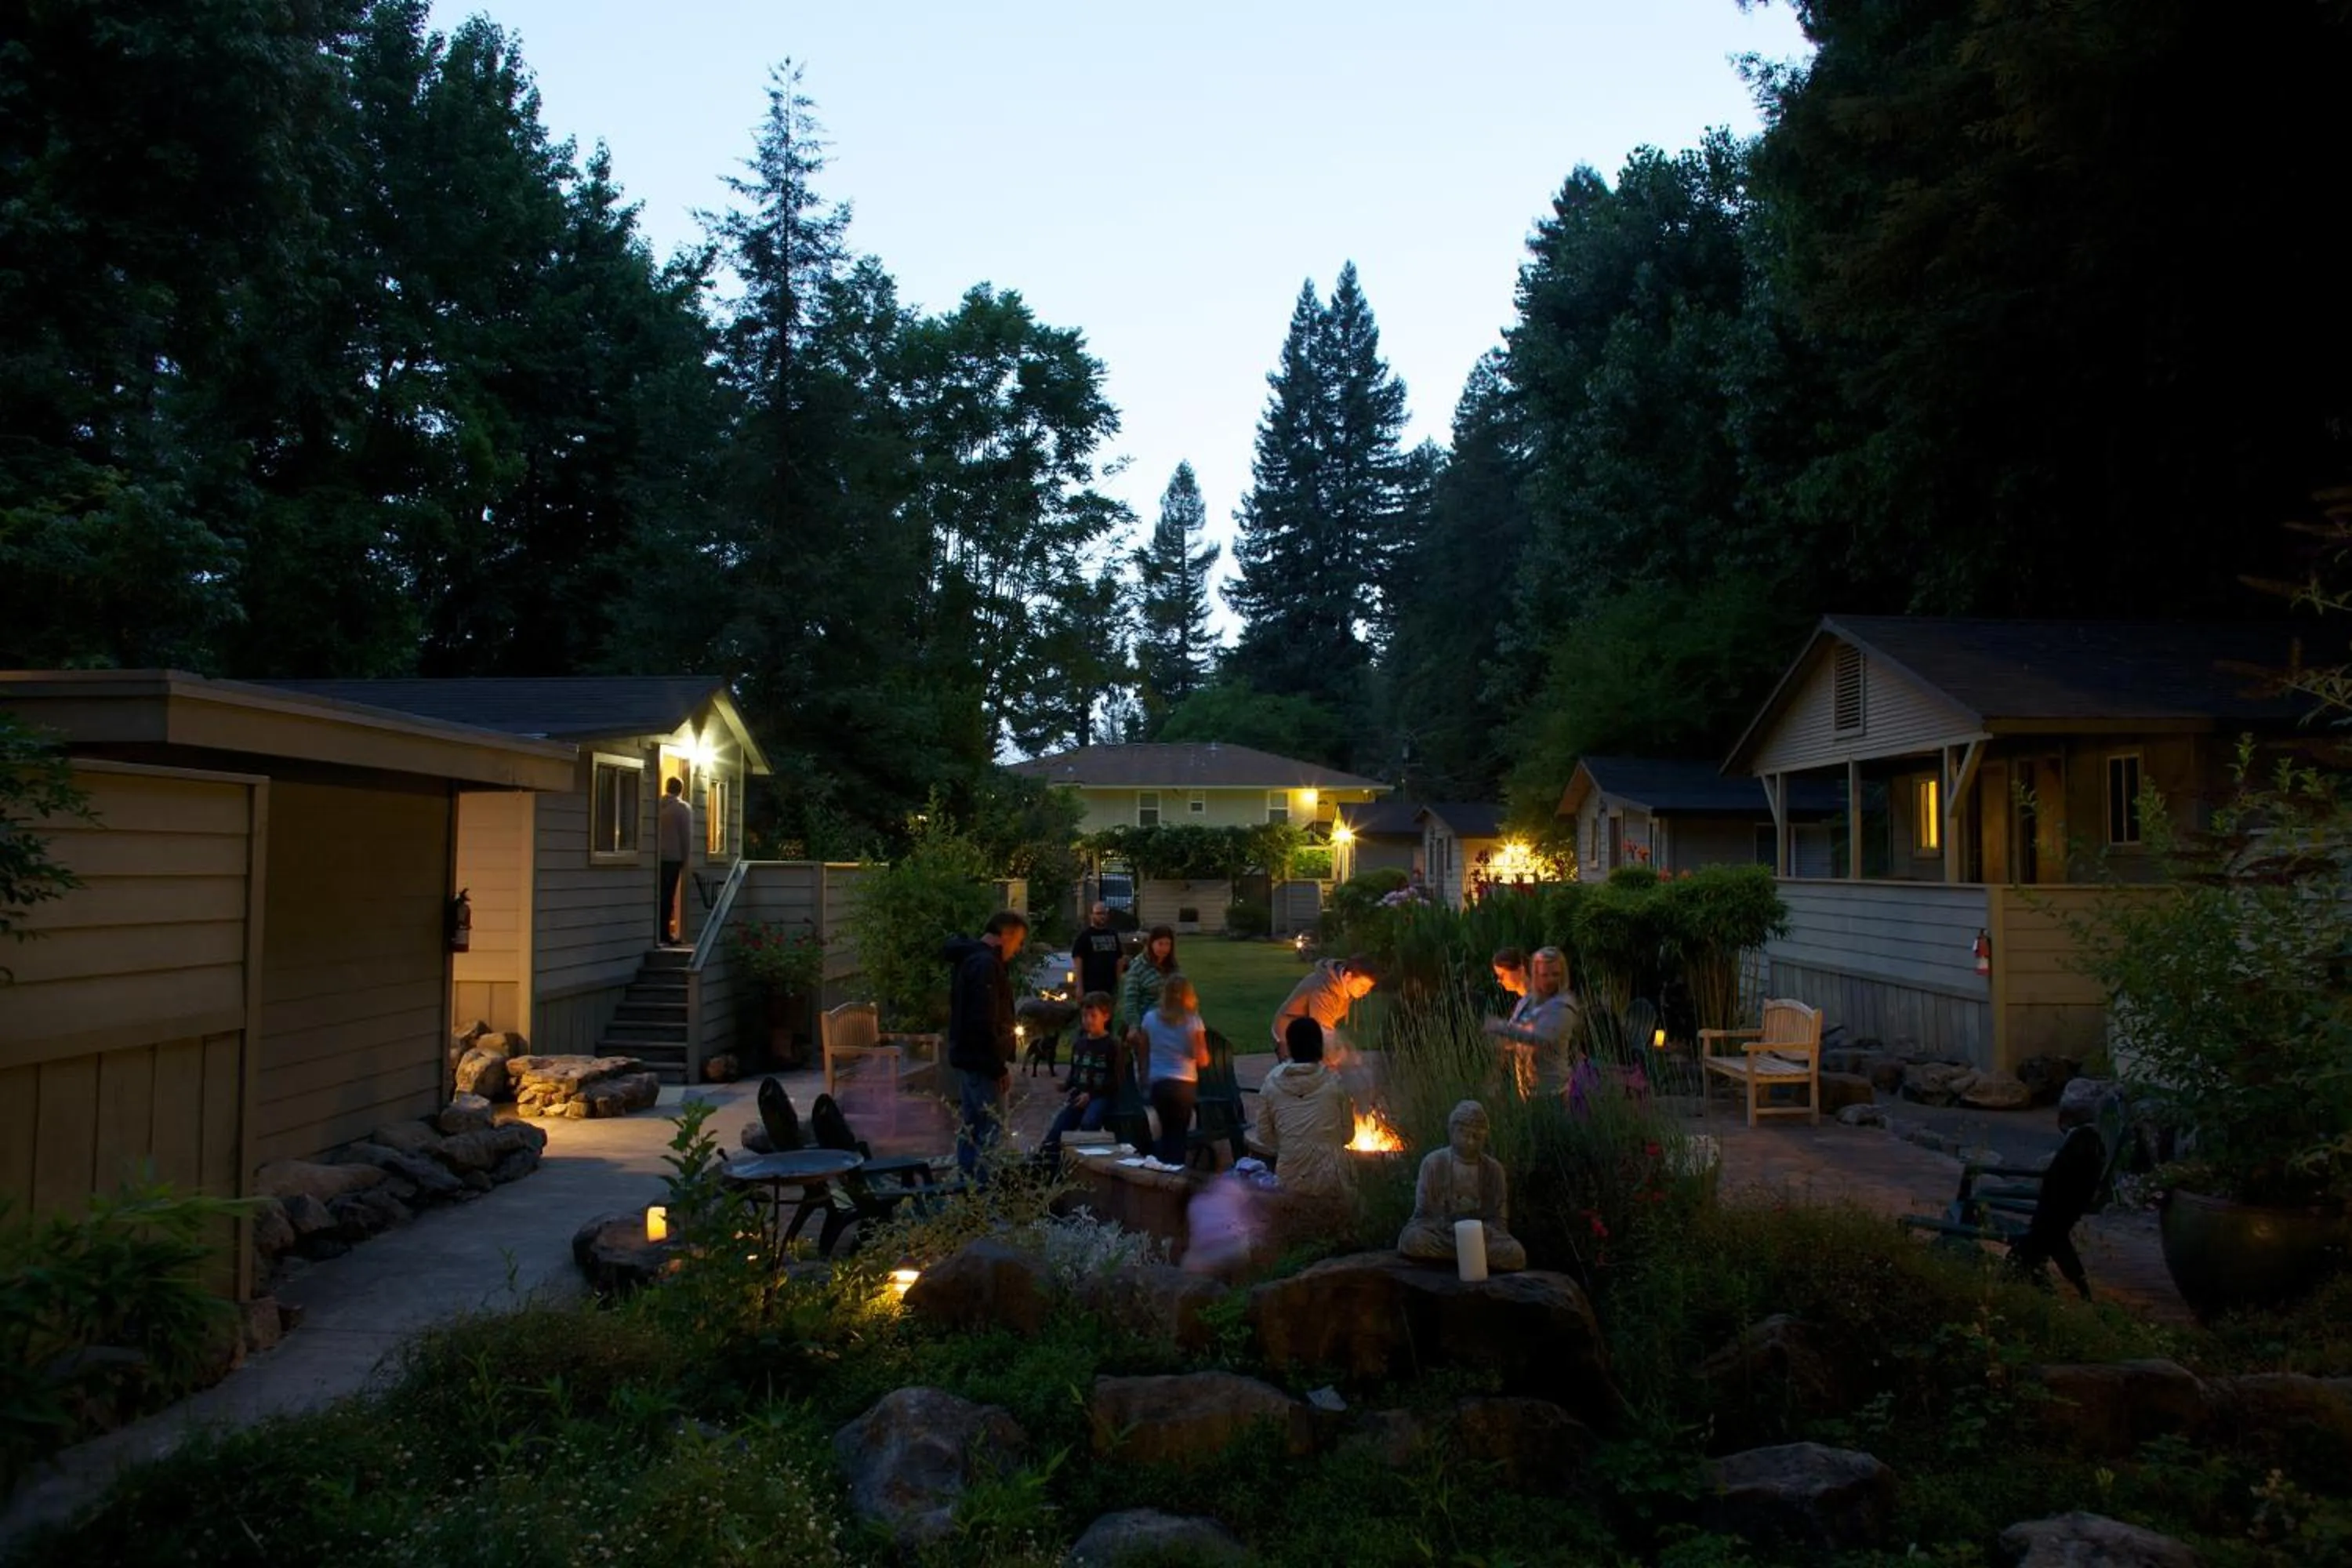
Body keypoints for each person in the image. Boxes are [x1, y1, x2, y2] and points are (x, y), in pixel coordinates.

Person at [942, 909, 1027, 1178]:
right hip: (982, 1063)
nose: (1018, 948)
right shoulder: (984, 965)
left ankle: (967, 1191)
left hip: (971, 1059)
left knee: (972, 1128)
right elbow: (982, 1020)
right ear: (1005, 936)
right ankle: (985, 1197)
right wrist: (997, 1066)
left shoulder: (973, 960)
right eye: (1018, 941)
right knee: (990, 1131)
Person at [1396, 1099, 1527, 1272]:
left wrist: (1483, 1232)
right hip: (1443, 1233)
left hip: (1481, 1238)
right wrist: (1448, 1228)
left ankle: (1463, 1255)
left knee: (1515, 1253)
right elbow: (1423, 1214)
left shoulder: (1494, 1170)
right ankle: (1468, 1256)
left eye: (1477, 1137)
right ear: (1451, 1132)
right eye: (1464, 1135)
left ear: (1485, 1137)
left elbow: (1499, 1221)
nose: (1470, 1142)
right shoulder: (1434, 1163)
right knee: (1413, 1240)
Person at [1253, 1015, 1356, 1200]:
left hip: (1290, 1179)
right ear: (1320, 1045)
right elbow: (1348, 1135)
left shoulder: (1271, 1082)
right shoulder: (1335, 1082)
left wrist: (1291, 1143)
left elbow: (1264, 1136)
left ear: (1290, 1046)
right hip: (1332, 1180)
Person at [1130, 971, 1209, 1166]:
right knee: (1179, 1134)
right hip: (1184, 1082)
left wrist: (1143, 1078)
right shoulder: (1193, 1021)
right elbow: (1202, 1059)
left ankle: (1160, 1169)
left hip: (1158, 1081)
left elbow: (1143, 1054)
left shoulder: (1149, 1019)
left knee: (1165, 1131)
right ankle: (1175, 1174)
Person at [1041, 991, 1119, 1157]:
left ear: (1106, 1017)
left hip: (1100, 1095)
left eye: (1093, 1016)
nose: (1088, 1020)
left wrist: (1092, 1094)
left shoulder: (1111, 1045)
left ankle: (1086, 1160)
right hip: (1079, 1094)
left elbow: (1115, 1078)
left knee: (1089, 1123)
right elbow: (1076, 1070)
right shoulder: (1080, 1044)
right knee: (1060, 1126)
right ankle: (1047, 1161)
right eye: (1084, 1016)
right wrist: (1066, 1084)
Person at [1272, 952, 1378, 1065]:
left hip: (1308, 1031)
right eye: (1362, 986)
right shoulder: (1324, 991)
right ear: (1348, 976)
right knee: (1300, 1073)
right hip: (1289, 1034)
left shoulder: (1341, 985)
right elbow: (1324, 1033)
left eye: (1368, 988)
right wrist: (1341, 1057)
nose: (1365, 992)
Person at [1119, 924, 1178, 1039]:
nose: (1164, 949)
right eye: (1160, 944)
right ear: (1151, 944)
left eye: (1168, 944)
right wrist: (1134, 1026)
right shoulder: (1138, 967)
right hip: (1146, 1020)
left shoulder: (1172, 967)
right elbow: (1131, 1000)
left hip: (1171, 1018)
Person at [655, 776, 693, 944]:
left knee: (658, 894)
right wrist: (686, 859)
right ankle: (666, 933)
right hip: (673, 857)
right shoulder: (682, 809)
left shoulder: (657, 806)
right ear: (681, 789)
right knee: (668, 895)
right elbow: (686, 836)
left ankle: (658, 931)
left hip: (656, 857)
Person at [1071, 900, 1127, 1003]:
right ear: (1091, 915)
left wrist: (1119, 984)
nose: (1102, 916)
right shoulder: (1085, 937)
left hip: (1110, 987)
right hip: (1091, 987)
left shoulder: (1113, 934)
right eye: (1098, 913)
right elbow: (1078, 962)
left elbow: (1119, 959)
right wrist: (1079, 987)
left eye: (1104, 913)